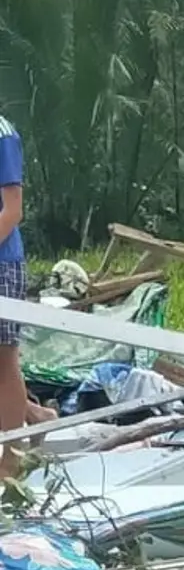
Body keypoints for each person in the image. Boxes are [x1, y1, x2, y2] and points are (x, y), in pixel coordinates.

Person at [0, 113, 54, 476]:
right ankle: (37, 415)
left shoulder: (2, 134)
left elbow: (12, 209)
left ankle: (11, 457)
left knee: (3, 361)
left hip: (2, 262)